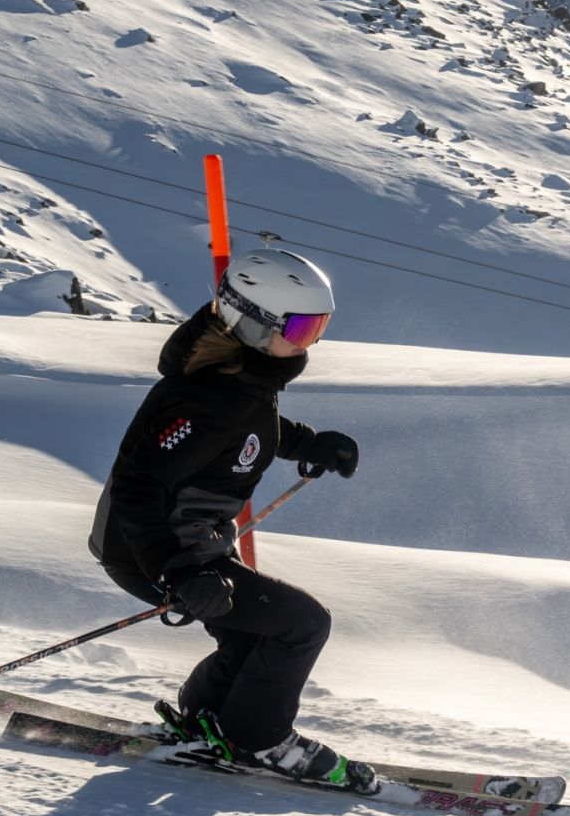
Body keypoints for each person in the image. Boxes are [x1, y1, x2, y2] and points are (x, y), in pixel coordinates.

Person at [88, 249, 365, 787]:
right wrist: (180, 572)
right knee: (303, 624)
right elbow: (138, 486)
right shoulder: (207, 395)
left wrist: (311, 444)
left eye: (319, 328)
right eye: (303, 328)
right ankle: (261, 741)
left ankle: (206, 723)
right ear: (254, 322)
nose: (312, 342)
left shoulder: (243, 377)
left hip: (193, 543)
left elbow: (250, 430)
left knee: (251, 636)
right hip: (152, 548)